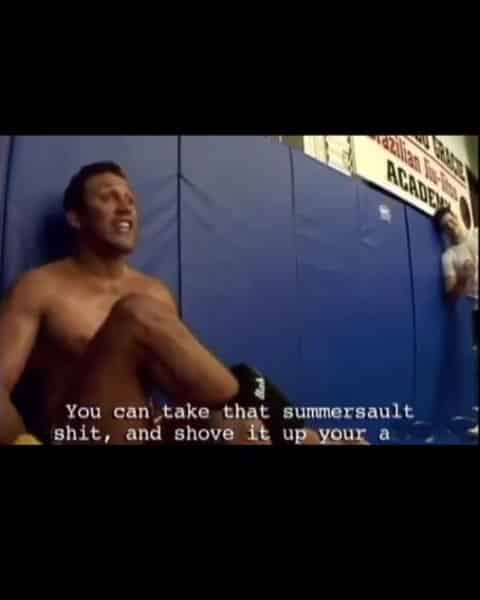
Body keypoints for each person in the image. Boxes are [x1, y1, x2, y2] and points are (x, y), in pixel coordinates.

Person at [0, 162, 335, 446]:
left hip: (139, 429)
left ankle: (284, 427)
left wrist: (211, 421)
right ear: (76, 218)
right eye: (108, 198)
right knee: (137, 313)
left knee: (239, 426)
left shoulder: (156, 291)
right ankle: (294, 431)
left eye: (130, 200)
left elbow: (184, 387)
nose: (125, 207)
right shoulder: (39, 287)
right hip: (75, 434)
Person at [433, 206, 478, 437]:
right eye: (445, 226)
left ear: (458, 218)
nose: (451, 227)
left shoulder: (476, 235)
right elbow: (451, 295)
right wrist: (462, 279)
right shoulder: (448, 257)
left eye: (452, 220)